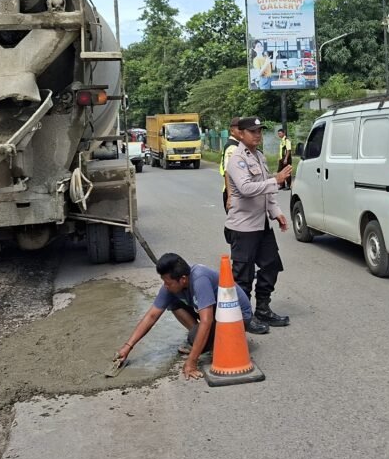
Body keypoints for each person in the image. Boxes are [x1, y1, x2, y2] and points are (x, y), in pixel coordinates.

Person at [116, 253, 267, 380]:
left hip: (238, 318)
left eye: (167, 283)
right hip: (217, 313)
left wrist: (192, 361)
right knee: (173, 304)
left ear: (182, 279)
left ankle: (211, 342)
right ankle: (205, 340)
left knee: (195, 336)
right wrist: (127, 347)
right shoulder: (173, 285)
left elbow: (206, 321)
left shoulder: (199, 279)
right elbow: (152, 315)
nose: (165, 286)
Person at [224, 117, 294, 327]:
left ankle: (263, 309)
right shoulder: (236, 159)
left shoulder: (259, 157)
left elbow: (266, 193)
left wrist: (276, 212)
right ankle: (244, 317)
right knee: (243, 276)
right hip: (243, 226)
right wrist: (276, 180)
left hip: (261, 224)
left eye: (259, 131)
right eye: (252, 131)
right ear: (241, 133)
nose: (257, 135)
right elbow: (246, 189)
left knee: (271, 265)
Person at [220, 118, 243, 213]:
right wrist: (230, 196)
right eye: (239, 129)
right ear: (232, 131)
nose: (242, 131)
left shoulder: (238, 145)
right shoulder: (232, 147)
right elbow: (228, 172)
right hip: (233, 192)